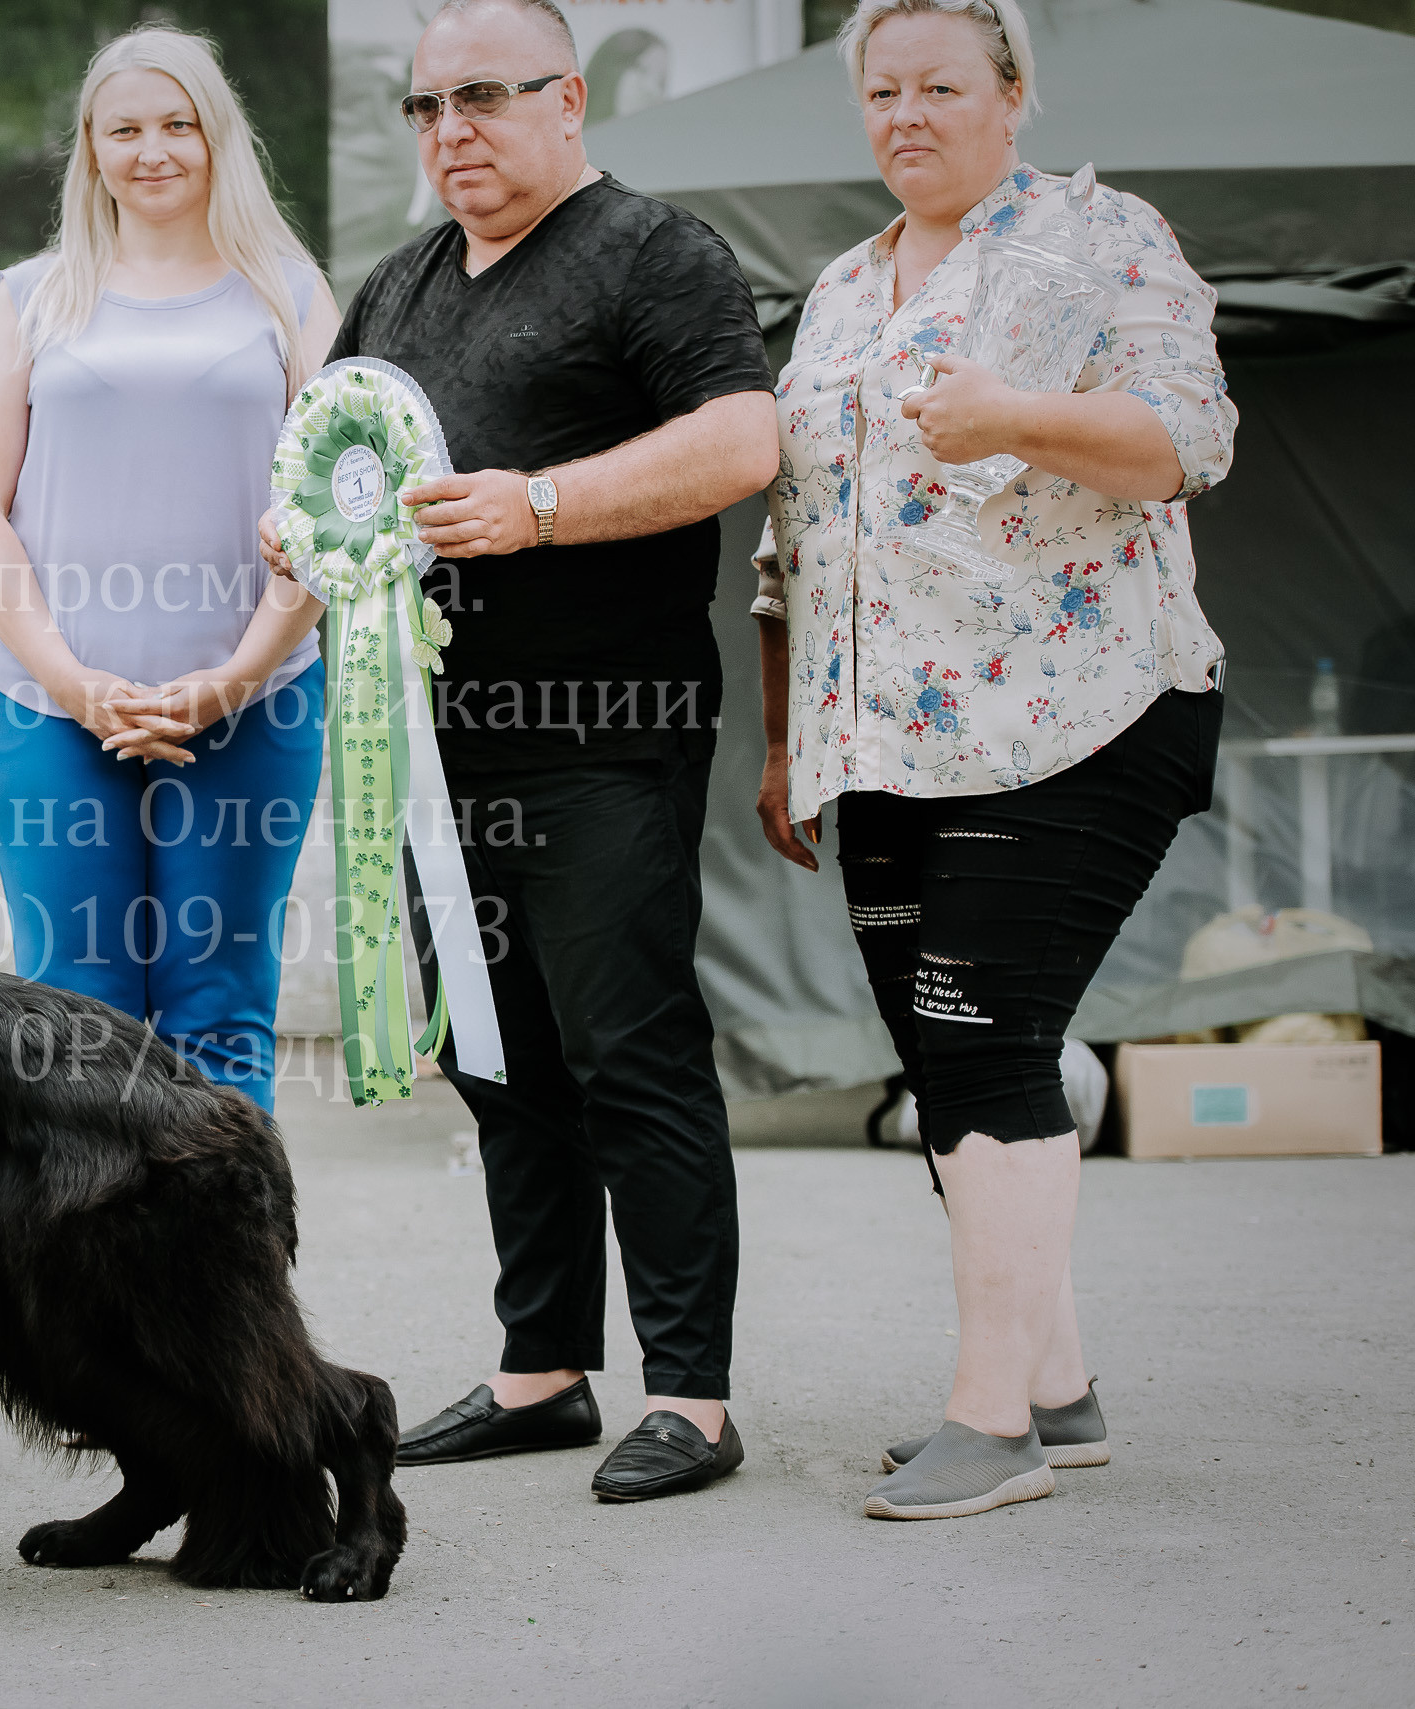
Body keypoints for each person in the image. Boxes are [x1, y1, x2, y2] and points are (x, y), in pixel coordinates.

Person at [266, 0, 777, 1501]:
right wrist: (299, 532)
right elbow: (322, 460)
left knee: (633, 1056)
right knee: (501, 1065)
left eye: (483, 98)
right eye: (427, 108)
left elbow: (743, 443)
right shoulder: (401, 281)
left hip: (605, 739)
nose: (452, 133)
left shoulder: (654, 252)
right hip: (426, 756)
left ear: (569, 99)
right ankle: (542, 1367)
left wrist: (536, 506)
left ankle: (694, 1392)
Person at [756, 0, 1233, 1520]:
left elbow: (1188, 438)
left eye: (942, 86)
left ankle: (993, 1427)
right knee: (946, 1056)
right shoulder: (836, 290)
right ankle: (1056, 1387)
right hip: (881, 744)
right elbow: (796, 543)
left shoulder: (1107, 240)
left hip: (1085, 712)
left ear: (1012, 93)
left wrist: (1013, 415)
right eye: (883, 91)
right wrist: (790, 738)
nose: (909, 115)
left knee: (984, 1034)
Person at [0, 26, 335, 1111]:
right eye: (125, 128)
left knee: (219, 1008)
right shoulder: (30, 297)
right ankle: (79, 1284)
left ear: (219, 138)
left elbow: (335, 514)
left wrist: (239, 673)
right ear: (91, 147)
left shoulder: (294, 297)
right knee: (75, 1014)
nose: (152, 149)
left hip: (253, 701)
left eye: (177, 124)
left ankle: (225, 1282)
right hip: (45, 707)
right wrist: (73, 681)